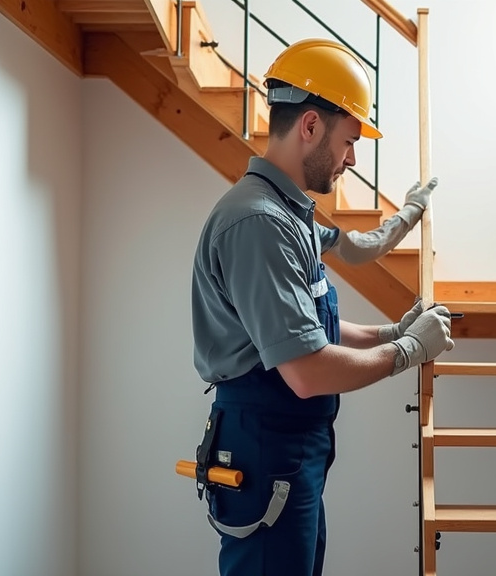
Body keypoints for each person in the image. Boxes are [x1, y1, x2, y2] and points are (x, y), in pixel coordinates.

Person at [190, 38, 453, 576]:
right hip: (266, 446)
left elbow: (311, 326)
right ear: (310, 125)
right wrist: (408, 350)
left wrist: (389, 331)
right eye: (349, 141)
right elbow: (308, 370)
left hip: (288, 450)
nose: (352, 159)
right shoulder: (259, 223)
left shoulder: (289, 213)